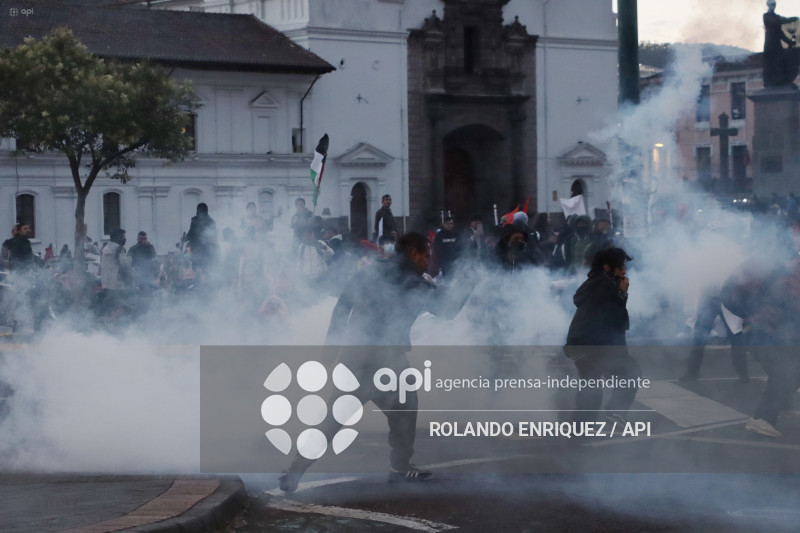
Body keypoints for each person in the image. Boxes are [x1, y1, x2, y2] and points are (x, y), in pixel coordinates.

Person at [279, 232, 476, 492]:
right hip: (386, 361)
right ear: (413, 253)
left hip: (355, 356)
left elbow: (342, 305)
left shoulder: (370, 271)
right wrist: (472, 280)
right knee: (405, 408)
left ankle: (296, 469)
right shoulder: (415, 283)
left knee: (334, 418)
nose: (428, 261)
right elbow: (448, 310)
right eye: (425, 255)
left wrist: (331, 347)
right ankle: (400, 467)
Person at [564, 248, 641, 423]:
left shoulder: (595, 282)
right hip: (590, 344)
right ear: (607, 267)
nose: (624, 271)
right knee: (627, 374)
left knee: (593, 383)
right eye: (620, 266)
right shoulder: (604, 285)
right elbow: (616, 317)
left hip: (583, 343)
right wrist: (623, 293)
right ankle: (596, 420)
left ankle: (582, 425)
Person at [763, 0, 799, 87]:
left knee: (781, 61)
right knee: (772, 63)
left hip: (777, 44)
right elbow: (777, 21)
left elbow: (780, 33)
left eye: (774, 5)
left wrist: (789, 42)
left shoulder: (776, 17)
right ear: (768, 6)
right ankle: (773, 81)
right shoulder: (766, 16)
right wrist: (791, 19)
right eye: (772, 5)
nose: (773, 6)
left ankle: (781, 80)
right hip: (770, 45)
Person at [185, 203, 219, 279]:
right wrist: (185, 238)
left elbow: (214, 236)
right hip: (197, 249)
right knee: (197, 268)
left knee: (205, 269)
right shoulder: (195, 220)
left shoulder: (210, 221)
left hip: (206, 250)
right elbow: (191, 232)